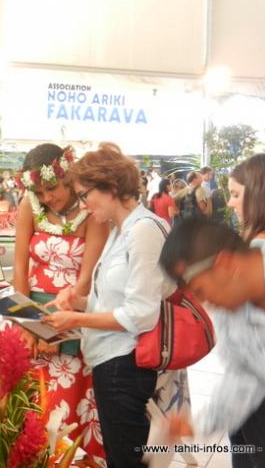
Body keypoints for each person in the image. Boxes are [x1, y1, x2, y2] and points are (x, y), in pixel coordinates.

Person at [43, 142, 177, 467]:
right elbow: (112, 299)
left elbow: (140, 314)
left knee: (125, 459)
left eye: (85, 195)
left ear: (111, 187)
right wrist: (79, 302)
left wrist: (76, 319)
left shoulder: (143, 231)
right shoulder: (120, 231)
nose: (83, 205)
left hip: (125, 364)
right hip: (109, 360)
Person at [13, 143, 109, 464]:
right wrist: (30, 325)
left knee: (68, 405)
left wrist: (54, 327)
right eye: (39, 193)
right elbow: (19, 268)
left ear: (67, 175)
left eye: (51, 188)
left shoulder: (92, 211)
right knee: (34, 407)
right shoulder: (30, 205)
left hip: (73, 318)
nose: (46, 198)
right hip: (33, 318)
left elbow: (87, 278)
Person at [160, 218, 265, 468]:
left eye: (200, 291)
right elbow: (246, 375)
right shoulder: (231, 315)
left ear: (225, 264)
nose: (204, 304)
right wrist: (200, 423)